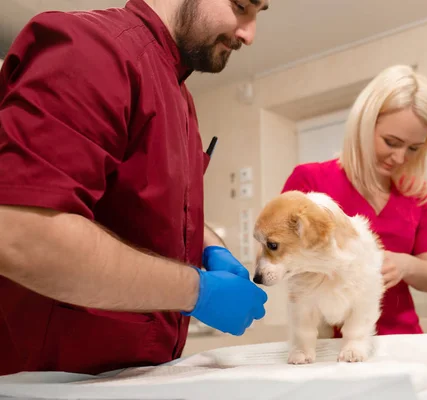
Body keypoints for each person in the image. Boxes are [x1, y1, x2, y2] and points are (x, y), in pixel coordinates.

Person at [0, 0, 270, 376]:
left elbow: (150, 202)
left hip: (135, 370)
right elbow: (23, 235)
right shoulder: (89, 49)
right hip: (49, 375)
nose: (249, 33)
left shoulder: (180, 96)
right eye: (242, 6)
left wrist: (210, 247)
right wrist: (197, 290)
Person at [281, 65, 427, 336]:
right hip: (331, 346)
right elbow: (280, 257)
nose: (401, 158)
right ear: (364, 124)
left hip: (402, 341)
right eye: (391, 142)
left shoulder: (416, 196)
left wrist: (405, 265)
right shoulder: (310, 181)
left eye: (414, 148)